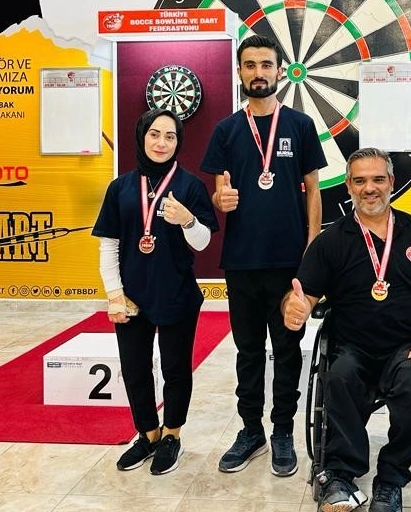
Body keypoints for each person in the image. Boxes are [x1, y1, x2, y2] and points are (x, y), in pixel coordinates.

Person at [282, 147, 411, 512]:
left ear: (392, 182)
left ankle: (390, 480)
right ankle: (342, 476)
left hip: (408, 348)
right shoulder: (330, 241)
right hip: (352, 348)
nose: (369, 188)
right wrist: (294, 309)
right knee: (339, 376)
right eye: (359, 181)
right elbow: (302, 297)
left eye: (378, 179)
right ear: (348, 186)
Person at [200, 34, 326, 477]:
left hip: (290, 262)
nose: (258, 73)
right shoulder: (226, 130)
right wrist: (220, 200)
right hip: (241, 261)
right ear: (240, 71)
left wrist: (312, 246)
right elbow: (218, 192)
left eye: (266, 65)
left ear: (280, 71)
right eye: (250, 65)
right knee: (248, 351)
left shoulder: (300, 125)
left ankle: (283, 431)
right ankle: (251, 430)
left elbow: (314, 189)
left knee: (288, 350)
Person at [92, 108, 219, 475]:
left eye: (170, 136)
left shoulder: (190, 186)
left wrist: (188, 221)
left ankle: (171, 436)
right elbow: (109, 244)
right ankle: (147, 434)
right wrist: (114, 294)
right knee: (134, 368)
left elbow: (202, 243)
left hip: (176, 291)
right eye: (155, 134)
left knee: (176, 368)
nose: (162, 142)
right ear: (142, 136)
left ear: (178, 142)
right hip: (132, 296)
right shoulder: (121, 188)